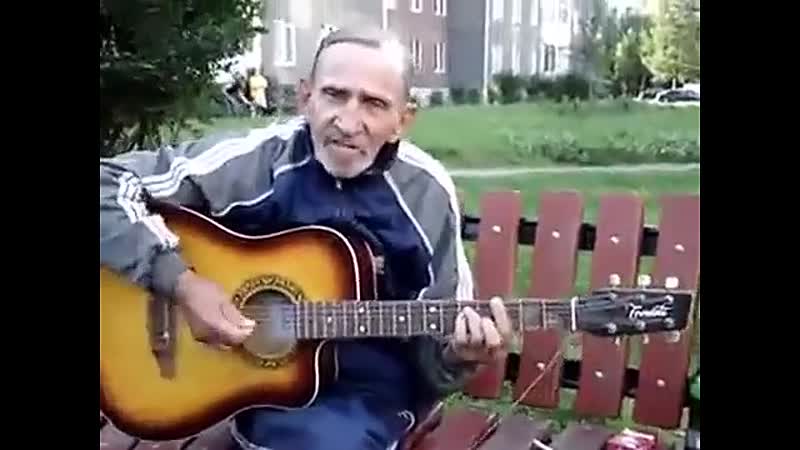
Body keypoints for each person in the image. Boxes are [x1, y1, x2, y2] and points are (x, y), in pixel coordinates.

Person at [99, 27, 512, 450]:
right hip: (241, 382)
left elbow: (435, 358)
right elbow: (107, 183)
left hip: (367, 396)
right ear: (305, 97)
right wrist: (182, 284)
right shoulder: (256, 161)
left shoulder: (426, 194)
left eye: (373, 104)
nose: (347, 122)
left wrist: (458, 355)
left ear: (402, 121)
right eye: (334, 95)